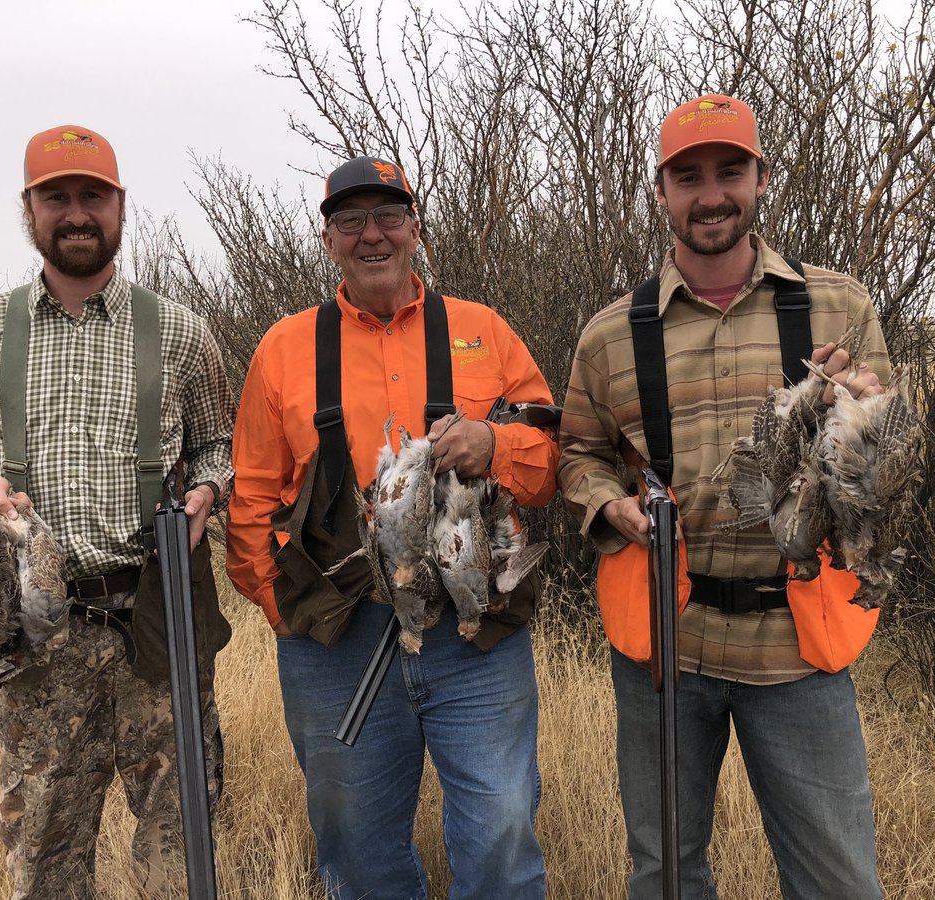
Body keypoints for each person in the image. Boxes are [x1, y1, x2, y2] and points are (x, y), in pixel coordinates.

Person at [558, 95, 888, 900]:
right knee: (666, 876)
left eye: (730, 172)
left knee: (839, 883)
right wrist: (609, 506)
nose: (711, 196)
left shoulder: (839, 306)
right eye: (689, 177)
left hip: (798, 646)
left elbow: (883, 475)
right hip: (668, 647)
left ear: (761, 179)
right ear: (661, 192)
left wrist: (869, 417)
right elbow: (578, 454)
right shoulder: (610, 334)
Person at [226, 155, 557, 899]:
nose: (371, 234)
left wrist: (494, 444)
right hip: (341, 642)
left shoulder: (483, 332)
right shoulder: (284, 349)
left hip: (472, 634)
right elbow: (250, 498)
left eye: (387, 216)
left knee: (502, 831)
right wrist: (288, 613)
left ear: (416, 228)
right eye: (350, 220)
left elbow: (549, 465)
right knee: (356, 849)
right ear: (328, 241)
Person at [0, 124, 235, 900]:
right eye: (55, 197)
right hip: (39, 635)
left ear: (120, 207)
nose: (76, 213)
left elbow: (218, 446)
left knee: (181, 852)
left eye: (93, 196)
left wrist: (206, 492)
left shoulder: (182, 331)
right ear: (28, 209)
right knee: (44, 859)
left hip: (159, 617)